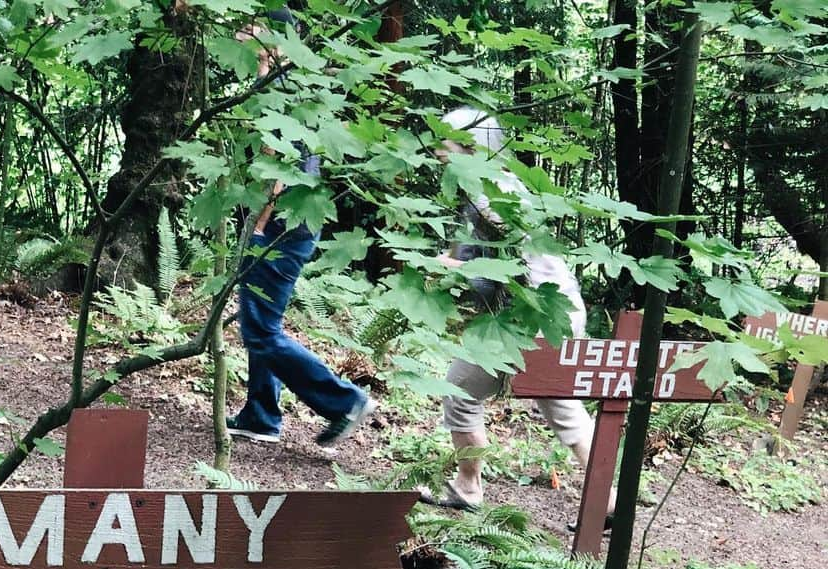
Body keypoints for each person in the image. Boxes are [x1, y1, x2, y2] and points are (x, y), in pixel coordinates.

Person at [420, 107, 612, 517]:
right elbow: (477, 255)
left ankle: (468, 488)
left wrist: (454, 268)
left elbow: (509, 267)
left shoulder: (494, 196)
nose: (439, 149)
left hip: (529, 320)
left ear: (473, 147)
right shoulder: (485, 190)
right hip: (550, 316)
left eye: (447, 141)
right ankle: (608, 501)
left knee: (459, 390)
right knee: (563, 407)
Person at [226, 10, 376, 448]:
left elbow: (283, 164)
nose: (238, 35)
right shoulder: (301, 86)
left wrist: (261, 220)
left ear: (269, 39)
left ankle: (344, 401)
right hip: (292, 223)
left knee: (259, 331)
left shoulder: (279, 89)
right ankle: (261, 415)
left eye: (247, 27)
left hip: (282, 226)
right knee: (263, 322)